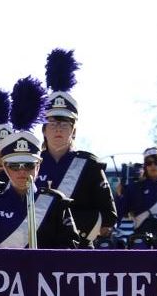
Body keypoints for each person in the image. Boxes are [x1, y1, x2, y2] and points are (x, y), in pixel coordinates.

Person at [0, 77, 79, 249]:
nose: (22, 172)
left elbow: (71, 253)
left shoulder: (55, 202)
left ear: (38, 165)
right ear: (5, 167)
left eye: (28, 165)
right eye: (15, 166)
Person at [38, 47, 116, 241]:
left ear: (74, 131)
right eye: (53, 123)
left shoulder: (89, 165)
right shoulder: (29, 164)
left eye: (64, 124)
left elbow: (108, 216)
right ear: (43, 130)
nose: (58, 129)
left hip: (78, 249)